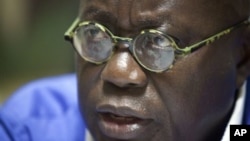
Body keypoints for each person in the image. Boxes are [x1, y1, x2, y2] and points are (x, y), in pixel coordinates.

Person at [1, 0, 250, 141]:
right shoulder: (28, 128)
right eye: (94, 33)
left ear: (242, 57)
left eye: (159, 43)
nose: (117, 73)